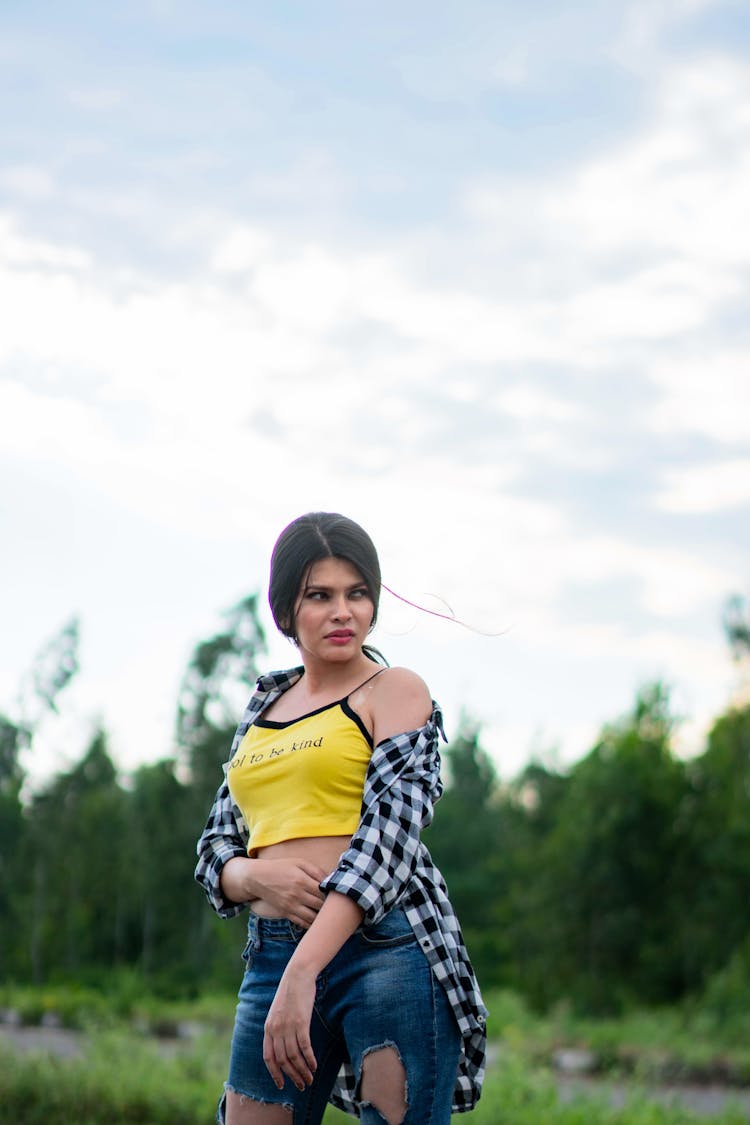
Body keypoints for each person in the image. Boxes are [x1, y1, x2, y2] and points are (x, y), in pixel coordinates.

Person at [195, 512, 487, 1125]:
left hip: (385, 950)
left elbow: (388, 843)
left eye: (357, 594)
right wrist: (255, 880)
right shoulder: (264, 707)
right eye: (319, 596)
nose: (342, 612)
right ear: (284, 611)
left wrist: (305, 973)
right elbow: (216, 846)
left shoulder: (394, 691)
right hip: (273, 950)